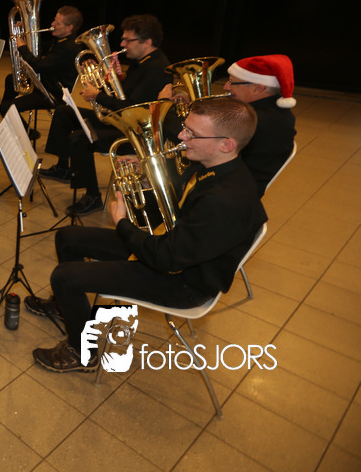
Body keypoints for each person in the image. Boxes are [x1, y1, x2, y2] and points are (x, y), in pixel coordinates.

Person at [27, 97, 267, 373]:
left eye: (192, 133)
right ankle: (66, 306)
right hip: (176, 251)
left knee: (64, 276)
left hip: (183, 282)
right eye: (185, 128)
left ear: (227, 144)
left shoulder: (223, 201)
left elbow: (165, 259)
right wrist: (145, 176)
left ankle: (82, 354)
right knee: (68, 237)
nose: (181, 136)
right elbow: (182, 206)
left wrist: (122, 224)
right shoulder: (212, 164)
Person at [40, 14, 170, 216]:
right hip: (122, 121)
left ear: (147, 42)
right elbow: (123, 95)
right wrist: (100, 80)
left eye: (128, 40)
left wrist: (98, 96)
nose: (122, 44)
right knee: (64, 112)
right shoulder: (141, 62)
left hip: (135, 134)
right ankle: (64, 167)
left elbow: (130, 107)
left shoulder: (156, 68)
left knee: (81, 138)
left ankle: (92, 196)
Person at [221, 55, 297, 194]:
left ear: (257, 89)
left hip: (231, 191)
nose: (226, 87)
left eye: (232, 82)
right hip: (238, 182)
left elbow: (212, 149)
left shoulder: (254, 120)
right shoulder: (274, 110)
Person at [0, 5, 83, 121]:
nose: (52, 24)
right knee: (10, 79)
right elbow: (40, 47)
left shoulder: (68, 48)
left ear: (69, 27)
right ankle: (9, 120)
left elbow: (37, 66)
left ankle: (23, 129)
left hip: (51, 93)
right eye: (54, 20)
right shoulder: (63, 41)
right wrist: (25, 32)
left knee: (4, 108)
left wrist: (22, 48)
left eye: (57, 23)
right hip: (44, 82)